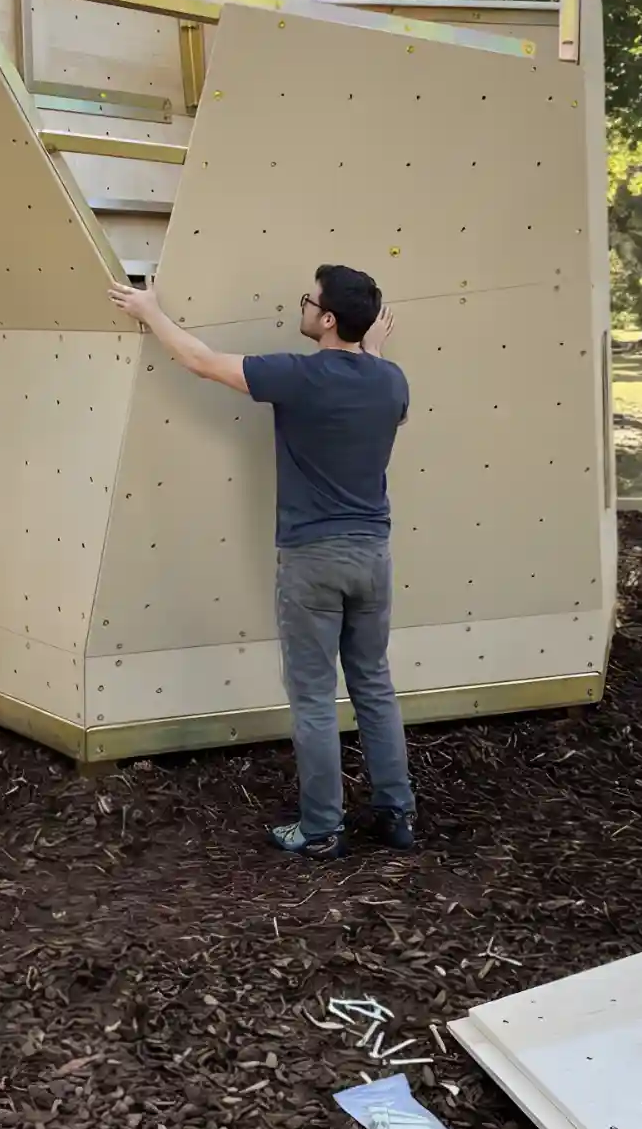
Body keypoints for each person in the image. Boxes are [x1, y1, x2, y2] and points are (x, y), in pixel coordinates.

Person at [107, 264, 414, 859]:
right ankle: (397, 814)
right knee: (374, 686)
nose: (300, 306)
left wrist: (150, 313)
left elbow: (201, 361)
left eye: (308, 300)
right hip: (372, 556)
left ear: (327, 319)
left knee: (315, 697)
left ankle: (322, 829)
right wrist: (370, 354)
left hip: (311, 561)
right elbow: (391, 410)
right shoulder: (390, 380)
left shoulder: (298, 375)